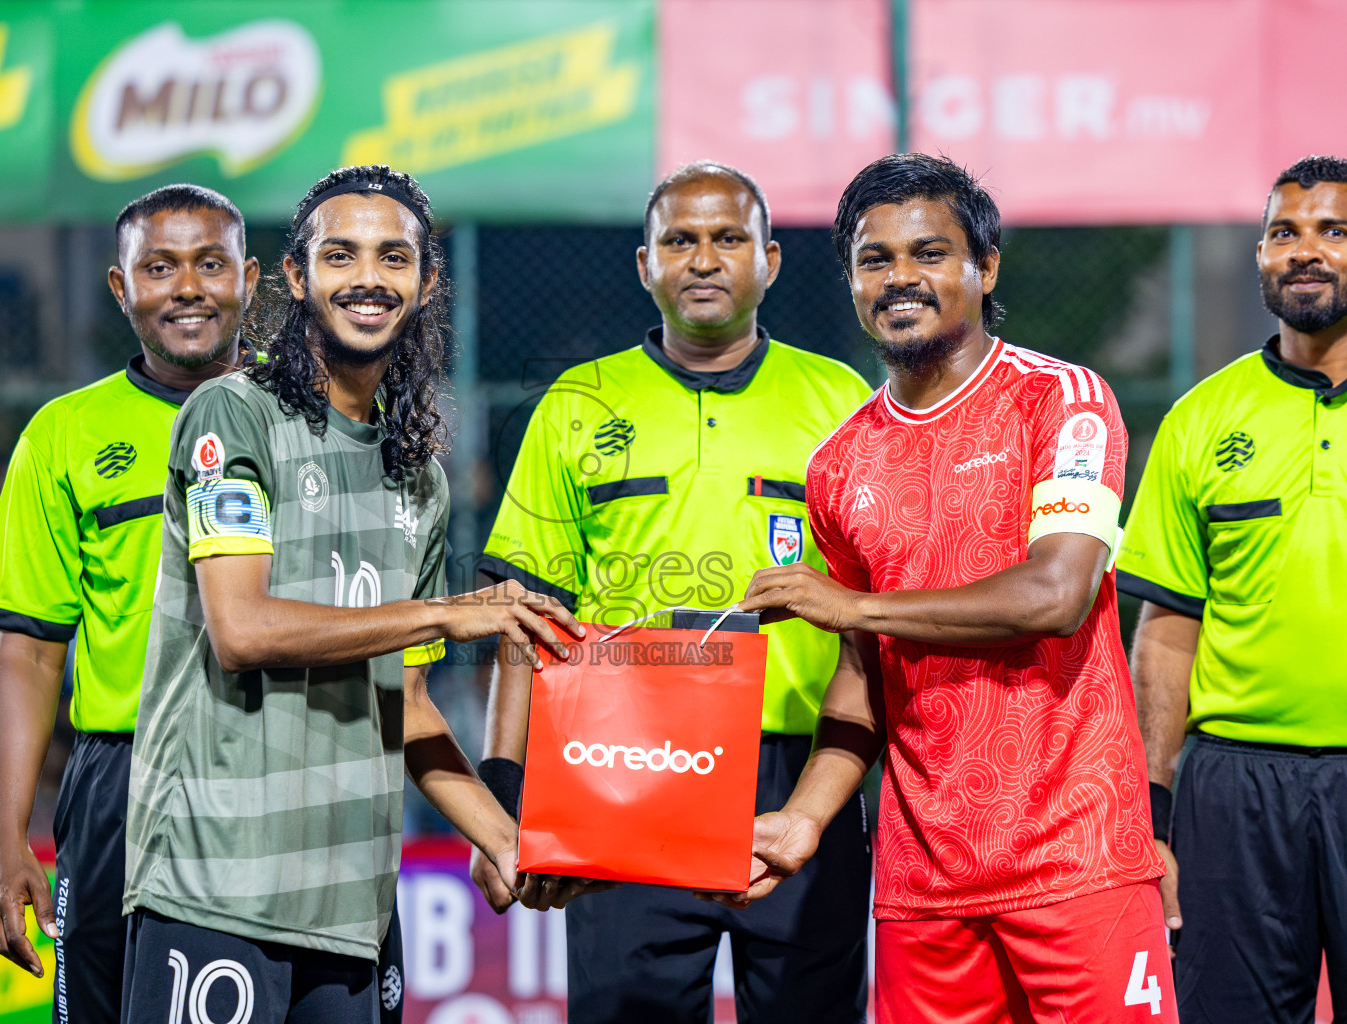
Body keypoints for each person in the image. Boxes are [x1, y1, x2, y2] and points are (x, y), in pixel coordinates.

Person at [119, 165, 582, 1024]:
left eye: (392, 257)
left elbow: (402, 699)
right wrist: (445, 612)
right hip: (218, 886)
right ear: (296, 277)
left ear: (424, 281)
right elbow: (242, 629)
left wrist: (505, 840)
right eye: (340, 255)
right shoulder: (233, 415)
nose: (368, 277)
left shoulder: (419, 480)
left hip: (353, 908)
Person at [721, 153, 1173, 1023]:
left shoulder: (1063, 401)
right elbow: (864, 675)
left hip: (1076, 860)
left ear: (985, 265)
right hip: (923, 881)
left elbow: (1057, 595)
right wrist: (805, 819)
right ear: (851, 280)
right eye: (874, 259)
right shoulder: (838, 463)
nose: (900, 279)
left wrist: (851, 606)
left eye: (928, 254)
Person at [473, 161, 874, 1023]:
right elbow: (523, 615)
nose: (703, 259)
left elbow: (870, 621)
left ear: (768, 259)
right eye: (679, 241)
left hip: (799, 772)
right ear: (644, 264)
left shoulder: (840, 401)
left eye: (727, 238)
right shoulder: (578, 403)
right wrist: (506, 797)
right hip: (621, 774)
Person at [0, 185, 259, 1023]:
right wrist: (3, 843)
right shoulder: (64, 434)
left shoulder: (307, 418)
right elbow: (26, 650)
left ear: (251, 278)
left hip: (274, 765)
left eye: (211, 263)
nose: (188, 288)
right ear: (120, 287)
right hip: (121, 780)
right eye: (159, 268)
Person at [1118, 155, 1347, 1023]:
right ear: (1259, 257)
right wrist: (1153, 814)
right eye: (1284, 233)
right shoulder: (1201, 419)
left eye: (1333, 231)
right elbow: (1166, 631)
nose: (1306, 251)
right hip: (1236, 792)